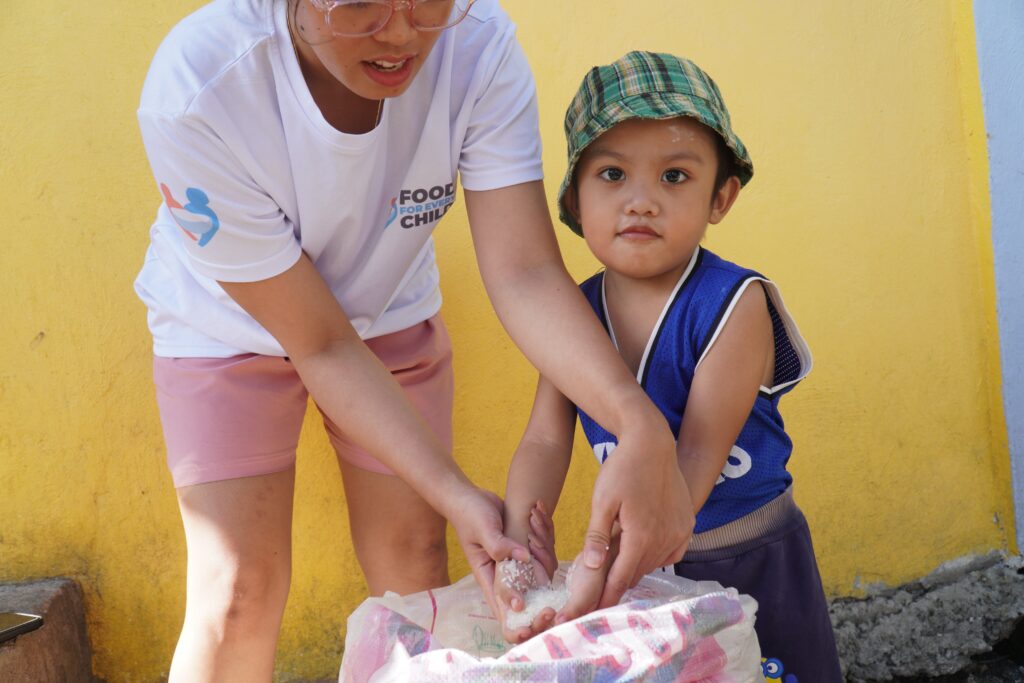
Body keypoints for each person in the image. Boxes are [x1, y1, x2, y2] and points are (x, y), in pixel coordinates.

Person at [135, 1, 694, 679]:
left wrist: (640, 426)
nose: (401, 34)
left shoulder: (478, 45)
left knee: (415, 561)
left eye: (428, 0)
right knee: (236, 593)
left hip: (388, 309)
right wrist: (457, 491)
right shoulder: (198, 90)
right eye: (359, 4)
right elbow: (322, 344)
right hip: (227, 324)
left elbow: (524, 272)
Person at [496, 51, 843, 679]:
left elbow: (690, 468)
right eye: (612, 174)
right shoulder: (571, 315)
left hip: (750, 557)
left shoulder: (735, 303)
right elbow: (545, 440)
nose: (641, 202)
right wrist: (521, 551)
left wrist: (596, 573)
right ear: (573, 198)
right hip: (642, 570)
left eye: (675, 176)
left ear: (721, 196)